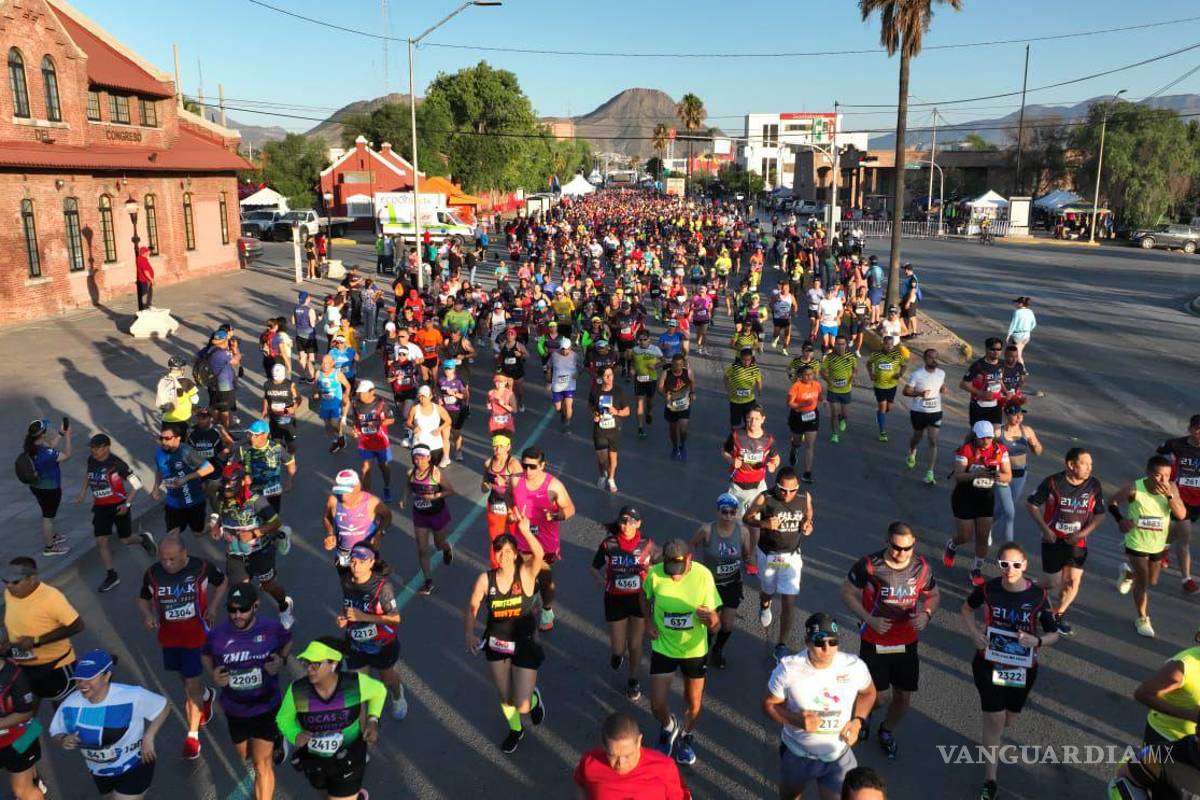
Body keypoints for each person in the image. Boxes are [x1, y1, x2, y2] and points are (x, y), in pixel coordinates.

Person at [959, 542, 1059, 800]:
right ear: (998, 565)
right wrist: (974, 633)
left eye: (1016, 564)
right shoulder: (988, 589)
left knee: (1008, 719)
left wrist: (1036, 642)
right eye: (1004, 564)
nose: (1010, 569)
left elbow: (1053, 633)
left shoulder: (1037, 595)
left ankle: (992, 739)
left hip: (1023, 668)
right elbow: (967, 609)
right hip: (988, 662)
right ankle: (990, 780)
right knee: (994, 718)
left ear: (1025, 565)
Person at [840, 523, 939, 760]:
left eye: (908, 548)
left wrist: (926, 615)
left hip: (907, 641)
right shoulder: (870, 566)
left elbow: (934, 595)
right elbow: (846, 593)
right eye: (896, 547)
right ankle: (864, 714)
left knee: (903, 698)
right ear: (887, 542)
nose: (902, 553)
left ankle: (886, 731)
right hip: (875, 639)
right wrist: (869, 619)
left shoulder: (921, 568)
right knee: (879, 696)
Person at [763, 613, 876, 800]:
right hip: (796, 752)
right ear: (807, 642)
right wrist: (795, 720)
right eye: (819, 641)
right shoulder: (788, 669)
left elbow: (868, 693)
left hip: (837, 756)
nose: (827, 648)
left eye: (833, 642)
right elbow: (768, 705)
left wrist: (857, 721)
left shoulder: (854, 666)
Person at [464, 509, 547, 754]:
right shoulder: (485, 579)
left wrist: (523, 530)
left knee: (521, 704)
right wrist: (470, 633)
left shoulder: (526, 574)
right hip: (497, 642)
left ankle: (533, 700)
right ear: (495, 554)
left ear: (515, 553)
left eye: (509, 551)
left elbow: (539, 554)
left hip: (524, 641)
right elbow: (472, 607)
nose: (504, 555)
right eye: (500, 551)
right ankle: (515, 730)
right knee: (505, 695)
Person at [138, 532, 226, 758]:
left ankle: (192, 738)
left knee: (190, 690)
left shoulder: (201, 568)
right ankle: (206, 695)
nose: (166, 564)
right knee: (185, 681)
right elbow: (142, 598)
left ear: (184, 554)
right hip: (169, 639)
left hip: (195, 639)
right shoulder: (153, 574)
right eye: (163, 559)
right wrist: (147, 615)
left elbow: (223, 581)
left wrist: (214, 607)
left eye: (172, 559)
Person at [203, 582, 292, 800]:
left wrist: (281, 660)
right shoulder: (218, 636)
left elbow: (288, 641)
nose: (237, 614)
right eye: (232, 609)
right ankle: (277, 741)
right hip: (235, 709)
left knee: (262, 764)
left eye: (243, 609)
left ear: (256, 606)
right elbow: (205, 654)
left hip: (266, 705)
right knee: (246, 756)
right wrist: (214, 673)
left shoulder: (271, 628)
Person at [641, 539, 721, 766]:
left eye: (679, 570)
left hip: (693, 650)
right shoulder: (656, 574)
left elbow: (715, 621)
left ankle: (686, 736)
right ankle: (669, 727)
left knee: (693, 701)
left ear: (689, 559)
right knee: (656, 704)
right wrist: (647, 622)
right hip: (664, 645)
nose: (675, 576)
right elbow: (644, 597)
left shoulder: (703, 576)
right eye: (671, 571)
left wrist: (712, 621)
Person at [276, 638, 386, 800]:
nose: (310, 669)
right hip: (316, 761)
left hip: (349, 756)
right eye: (307, 663)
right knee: (326, 794)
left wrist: (373, 720)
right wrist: (295, 734)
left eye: (316, 664)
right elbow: (283, 718)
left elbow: (379, 691)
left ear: (333, 664)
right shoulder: (298, 690)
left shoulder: (353, 684)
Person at [50, 649, 168, 800]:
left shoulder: (131, 695)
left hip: (135, 765)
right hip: (99, 771)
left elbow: (164, 707)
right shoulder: (70, 704)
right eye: (78, 679)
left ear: (107, 676)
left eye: (89, 678)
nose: (82, 684)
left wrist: (149, 737)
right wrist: (63, 739)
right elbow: (56, 731)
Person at [1026, 447, 1103, 637]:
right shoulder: (1053, 483)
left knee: (1072, 582)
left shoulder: (1094, 485)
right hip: (1053, 540)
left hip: (1077, 542)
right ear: (1071, 464)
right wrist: (1046, 530)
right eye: (1085, 464)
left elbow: (1100, 515)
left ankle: (1057, 615)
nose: (1089, 468)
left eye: (1091, 464)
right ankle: (1026, 587)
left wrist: (1082, 533)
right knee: (1051, 582)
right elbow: (1031, 504)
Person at [210, 463, 295, 629]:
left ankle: (284, 606)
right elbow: (217, 516)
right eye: (225, 484)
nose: (227, 490)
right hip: (236, 554)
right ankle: (248, 626)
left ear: (242, 482)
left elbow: (275, 522)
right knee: (240, 591)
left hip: (260, 552)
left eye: (231, 486)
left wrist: (254, 533)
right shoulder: (220, 498)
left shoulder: (256, 501)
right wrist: (215, 526)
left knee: (269, 585)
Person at [1111, 455, 1188, 638]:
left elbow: (1182, 514)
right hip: (1136, 540)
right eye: (1158, 475)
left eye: (1167, 475)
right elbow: (1112, 502)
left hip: (1157, 543)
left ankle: (1129, 574)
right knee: (1144, 581)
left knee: (1152, 580)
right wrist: (1120, 519)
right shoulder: (1134, 489)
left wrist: (1169, 496)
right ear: (1148, 473)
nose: (1163, 480)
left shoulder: (1172, 489)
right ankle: (1142, 618)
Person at [744, 468, 813, 662]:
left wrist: (808, 524)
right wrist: (764, 524)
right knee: (767, 591)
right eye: (783, 489)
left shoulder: (804, 496)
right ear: (776, 485)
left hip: (791, 556)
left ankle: (781, 644)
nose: (788, 494)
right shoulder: (764, 498)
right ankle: (764, 604)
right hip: (768, 555)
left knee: (789, 601)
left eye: (792, 490)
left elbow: (808, 513)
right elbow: (746, 518)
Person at [74, 433, 156, 593]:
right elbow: (88, 475)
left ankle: (143, 538)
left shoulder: (117, 464)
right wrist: (83, 492)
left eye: (96, 448)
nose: (93, 451)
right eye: (92, 448)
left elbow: (137, 483)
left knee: (125, 539)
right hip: (100, 507)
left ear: (106, 448)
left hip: (119, 506)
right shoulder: (91, 460)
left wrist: (127, 504)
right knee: (101, 541)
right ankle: (111, 575)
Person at [591, 507, 658, 701]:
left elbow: (660, 566)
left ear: (638, 523)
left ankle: (633, 679)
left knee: (636, 644)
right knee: (619, 648)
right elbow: (594, 567)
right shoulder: (609, 544)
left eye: (630, 521)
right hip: (615, 599)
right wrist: (600, 580)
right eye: (623, 521)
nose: (625, 525)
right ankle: (618, 654)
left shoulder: (647, 545)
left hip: (638, 599)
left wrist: (653, 575)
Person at [336, 545, 408, 721]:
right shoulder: (346, 580)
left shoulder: (383, 588)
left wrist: (364, 616)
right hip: (356, 644)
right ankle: (361, 741)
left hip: (382, 645)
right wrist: (343, 617)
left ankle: (398, 695)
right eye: (353, 561)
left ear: (371, 563)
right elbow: (347, 604)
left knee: (387, 680)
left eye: (361, 562)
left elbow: (395, 619)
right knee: (358, 690)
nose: (356, 566)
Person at [511, 447, 576, 632]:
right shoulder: (516, 480)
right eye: (525, 466)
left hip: (546, 541)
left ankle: (547, 610)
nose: (528, 471)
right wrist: (511, 511)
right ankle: (525, 610)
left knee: (545, 579)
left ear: (542, 465)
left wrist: (556, 515)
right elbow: (509, 497)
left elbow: (570, 508)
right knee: (524, 577)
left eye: (532, 466)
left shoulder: (553, 485)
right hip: (523, 537)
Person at [1, 558, 83, 705]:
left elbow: (77, 625)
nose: (9, 586)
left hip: (55, 666)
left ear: (32, 578)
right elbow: (13, 616)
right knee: (25, 709)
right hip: (24, 664)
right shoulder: (10, 593)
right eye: (5, 581)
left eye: (15, 582)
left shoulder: (51, 597)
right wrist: (7, 639)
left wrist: (36, 641)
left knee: (63, 708)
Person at [943, 421, 1012, 587]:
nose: (986, 441)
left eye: (989, 437)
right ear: (975, 436)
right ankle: (952, 544)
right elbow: (958, 475)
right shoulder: (966, 449)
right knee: (965, 536)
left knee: (982, 536)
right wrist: (975, 473)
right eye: (982, 438)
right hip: (964, 497)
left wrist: (996, 476)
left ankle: (975, 569)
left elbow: (1008, 476)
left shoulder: (1000, 450)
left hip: (985, 498)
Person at [692, 493, 751, 670]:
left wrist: (751, 561)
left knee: (727, 624)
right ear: (718, 511)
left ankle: (718, 650)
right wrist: (694, 568)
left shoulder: (743, 532)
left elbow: (747, 554)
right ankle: (704, 651)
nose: (728, 517)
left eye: (733, 513)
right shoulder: (707, 530)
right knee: (710, 623)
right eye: (725, 512)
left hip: (732, 583)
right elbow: (692, 546)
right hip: (710, 584)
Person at [573, 712, 690, 800]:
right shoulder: (590, 763)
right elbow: (580, 783)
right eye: (613, 755)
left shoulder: (664, 767)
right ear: (603, 746)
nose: (621, 763)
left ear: (639, 741)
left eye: (627, 755)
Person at [722, 406, 780, 572]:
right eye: (749, 418)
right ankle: (734, 555)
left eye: (755, 418)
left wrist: (773, 465)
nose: (752, 422)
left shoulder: (768, 439)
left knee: (755, 525)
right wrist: (731, 460)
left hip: (758, 489)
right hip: (737, 488)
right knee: (734, 524)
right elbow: (724, 451)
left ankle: (751, 556)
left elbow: (776, 458)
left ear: (763, 419)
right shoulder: (736, 435)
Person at [399, 444, 456, 596]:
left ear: (429, 458)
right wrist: (404, 497)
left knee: (438, 545)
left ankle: (446, 548)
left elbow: (450, 491)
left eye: (423, 457)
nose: (420, 461)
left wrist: (435, 496)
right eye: (417, 457)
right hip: (420, 515)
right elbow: (408, 486)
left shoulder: (435, 473)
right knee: (422, 549)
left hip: (438, 513)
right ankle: (428, 581)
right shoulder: (410, 473)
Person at [1156, 414, 1200, 595]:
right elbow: (1158, 459)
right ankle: (1187, 579)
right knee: (1185, 536)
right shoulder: (1175, 445)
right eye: (1197, 429)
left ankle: (1162, 547)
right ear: (1190, 429)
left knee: (1180, 532)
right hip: (1180, 498)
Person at [993, 404, 1042, 545]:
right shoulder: (998, 433)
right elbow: (986, 448)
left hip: (1020, 476)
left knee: (1002, 509)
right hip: (1002, 475)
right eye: (1015, 414)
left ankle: (987, 525)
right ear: (1006, 415)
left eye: (1021, 414)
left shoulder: (1026, 431)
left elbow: (1038, 452)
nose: (1019, 417)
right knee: (1010, 511)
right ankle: (1009, 546)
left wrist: (1035, 444)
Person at [21, 419, 71, 557]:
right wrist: (68, 436)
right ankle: (50, 547)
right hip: (49, 488)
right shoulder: (46, 453)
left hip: (36, 486)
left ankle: (52, 536)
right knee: (47, 517)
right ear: (42, 434)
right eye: (45, 431)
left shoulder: (31, 446)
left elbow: (50, 447)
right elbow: (66, 455)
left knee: (46, 512)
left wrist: (61, 433)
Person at [152, 425, 214, 536]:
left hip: (194, 502)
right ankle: (177, 553)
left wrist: (186, 478)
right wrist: (156, 487)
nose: (163, 442)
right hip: (173, 503)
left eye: (167, 438)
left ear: (178, 438)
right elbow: (159, 470)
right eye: (161, 438)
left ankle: (212, 524)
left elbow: (209, 468)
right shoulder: (159, 453)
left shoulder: (186, 451)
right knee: (172, 535)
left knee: (198, 532)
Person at [324, 469, 392, 570]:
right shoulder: (333, 501)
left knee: (365, 582)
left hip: (366, 551)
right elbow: (327, 517)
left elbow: (387, 515)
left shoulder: (371, 502)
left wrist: (379, 534)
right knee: (346, 582)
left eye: (345, 491)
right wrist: (330, 534)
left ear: (357, 487)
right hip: (343, 552)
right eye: (340, 491)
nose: (341, 495)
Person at [0, 648, 45, 800]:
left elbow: (26, 713)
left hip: (20, 739)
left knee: (23, 792)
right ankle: (33, 775)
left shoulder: (14, 675)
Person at [901, 349, 946, 486]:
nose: (934, 360)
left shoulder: (941, 373)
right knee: (917, 437)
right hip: (919, 412)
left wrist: (944, 388)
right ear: (925, 359)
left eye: (936, 357)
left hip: (936, 411)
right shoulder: (917, 374)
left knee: (933, 440)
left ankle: (930, 472)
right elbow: (906, 391)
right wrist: (919, 394)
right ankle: (912, 451)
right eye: (931, 357)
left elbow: (940, 385)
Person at [237, 419, 296, 514]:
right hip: (253, 492)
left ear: (265, 435)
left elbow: (290, 462)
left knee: (273, 518)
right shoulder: (243, 449)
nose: (252, 437)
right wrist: (243, 476)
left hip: (273, 491)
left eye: (256, 435)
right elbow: (235, 468)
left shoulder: (277, 448)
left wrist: (289, 480)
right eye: (250, 434)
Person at [589, 365, 631, 493]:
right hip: (600, 429)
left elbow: (627, 411)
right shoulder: (595, 391)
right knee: (602, 459)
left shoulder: (619, 391)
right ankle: (602, 474)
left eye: (611, 375)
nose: (609, 378)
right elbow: (590, 405)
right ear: (601, 378)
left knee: (613, 459)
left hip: (614, 429)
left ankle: (611, 479)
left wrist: (617, 411)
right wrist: (594, 415)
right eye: (606, 375)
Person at [350, 381, 395, 500]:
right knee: (365, 468)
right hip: (365, 442)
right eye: (359, 393)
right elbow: (356, 419)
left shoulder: (381, 403)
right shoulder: (355, 403)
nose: (360, 395)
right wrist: (355, 429)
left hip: (381, 442)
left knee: (383, 467)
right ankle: (366, 495)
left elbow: (391, 420)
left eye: (363, 393)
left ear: (372, 392)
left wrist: (378, 422)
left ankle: (387, 487)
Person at [786, 364, 822, 483]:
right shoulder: (796, 386)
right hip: (797, 417)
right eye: (806, 374)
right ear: (801, 375)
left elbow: (820, 397)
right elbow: (789, 403)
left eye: (811, 374)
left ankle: (807, 473)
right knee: (797, 440)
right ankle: (794, 449)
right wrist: (802, 404)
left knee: (809, 445)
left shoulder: (816, 385)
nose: (809, 376)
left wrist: (825, 401)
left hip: (812, 416)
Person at [866, 335, 906, 443]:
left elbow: (904, 365)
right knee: (883, 407)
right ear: (882, 344)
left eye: (891, 344)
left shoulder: (897, 355)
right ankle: (882, 432)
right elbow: (869, 363)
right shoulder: (876, 354)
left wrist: (900, 374)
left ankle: (880, 414)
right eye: (887, 344)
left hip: (892, 385)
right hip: (879, 385)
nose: (889, 346)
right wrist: (871, 374)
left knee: (888, 408)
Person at [658, 353, 696, 461]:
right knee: (673, 429)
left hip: (684, 404)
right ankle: (675, 447)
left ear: (683, 364)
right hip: (671, 406)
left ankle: (682, 445)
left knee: (683, 429)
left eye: (679, 364)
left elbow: (693, 382)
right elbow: (660, 387)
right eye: (675, 364)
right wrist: (664, 394)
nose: (677, 367)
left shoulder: (687, 372)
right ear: (672, 364)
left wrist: (692, 393)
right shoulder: (666, 373)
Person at [821, 335, 858, 444]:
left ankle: (842, 419)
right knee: (834, 413)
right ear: (835, 345)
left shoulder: (851, 356)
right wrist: (828, 381)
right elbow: (822, 371)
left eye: (842, 344)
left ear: (846, 345)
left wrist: (853, 377)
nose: (840, 346)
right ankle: (834, 434)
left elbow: (855, 369)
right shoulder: (830, 357)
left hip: (846, 390)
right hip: (833, 390)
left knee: (845, 414)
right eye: (837, 344)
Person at [960, 339, 1006, 427]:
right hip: (978, 406)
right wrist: (981, 393)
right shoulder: (977, 366)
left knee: (996, 433)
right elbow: (963, 384)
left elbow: (1000, 380)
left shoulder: (1002, 364)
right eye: (993, 349)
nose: (996, 352)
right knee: (976, 434)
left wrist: (1006, 392)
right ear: (986, 349)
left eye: (998, 349)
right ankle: (968, 441)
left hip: (995, 405)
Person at [406, 385, 453, 468]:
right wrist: (413, 427)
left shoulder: (438, 408)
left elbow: (448, 420)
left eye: (424, 396)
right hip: (419, 444)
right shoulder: (414, 409)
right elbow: (408, 422)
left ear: (430, 397)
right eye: (420, 396)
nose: (421, 398)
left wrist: (439, 429)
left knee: (433, 470)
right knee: (420, 470)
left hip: (435, 446)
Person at [314, 354, 352, 454]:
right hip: (325, 404)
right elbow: (315, 385)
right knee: (327, 427)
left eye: (327, 363)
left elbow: (348, 386)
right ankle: (337, 439)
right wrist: (316, 392)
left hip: (336, 403)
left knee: (334, 422)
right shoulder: (318, 373)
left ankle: (342, 436)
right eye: (323, 363)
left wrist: (346, 395)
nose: (324, 365)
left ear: (332, 364)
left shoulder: (337, 374)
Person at [262, 363, 301, 459]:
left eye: (279, 378)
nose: (277, 380)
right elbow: (266, 397)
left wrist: (294, 408)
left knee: (290, 443)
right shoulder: (267, 384)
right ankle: (283, 453)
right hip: (274, 418)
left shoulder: (290, 385)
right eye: (275, 377)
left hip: (287, 419)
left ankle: (291, 456)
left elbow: (299, 398)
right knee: (276, 442)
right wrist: (264, 409)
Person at [631, 332, 665, 439]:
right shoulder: (635, 350)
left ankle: (649, 412)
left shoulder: (655, 349)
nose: (642, 341)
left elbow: (663, 361)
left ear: (649, 340)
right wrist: (632, 370)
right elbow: (632, 362)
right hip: (639, 379)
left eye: (644, 339)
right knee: (640, 403)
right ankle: (640, 428)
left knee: (649, 402)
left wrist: (656, 366)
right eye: (640, 340)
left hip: (651, 379)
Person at [437, 359, 471, 462]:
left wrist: (455, 394)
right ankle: (446, 457)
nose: (447, 371)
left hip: (457, 410)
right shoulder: (441, 380)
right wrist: (439, 400)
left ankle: (458, 451)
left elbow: (465, 396)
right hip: (445, 411)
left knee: (456, 433)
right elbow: (438, 393)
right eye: (446, 368)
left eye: (450, 369)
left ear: (454, 369)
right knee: (445, 435)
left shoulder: (459, 381)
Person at [156, 357, 199, 437]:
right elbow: (195, 400)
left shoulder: (163, 381)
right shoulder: (186, 382)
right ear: (181, 369)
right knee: (180, 441)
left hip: (166, 418)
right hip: (182, 418)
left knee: (167, 440)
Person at [724, 348, 763, 431]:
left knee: (750, 424)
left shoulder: (755, 369)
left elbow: (758, 381)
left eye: (748, 360)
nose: (746, 362)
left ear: (751, 359)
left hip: (750, 401)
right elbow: (725, 378)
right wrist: (728, 390)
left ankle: (747, 439)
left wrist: (759, 390)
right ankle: (733, 439)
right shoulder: (734, 368)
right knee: (735, 425)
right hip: (735, 401)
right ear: (740, 359)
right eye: (744, 360)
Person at [548, 338, 580, 433]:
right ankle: (563, 412)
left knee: (569, 405)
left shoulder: (575, 356)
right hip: (557, 385)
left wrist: (578, 373)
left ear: (570, 348)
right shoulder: (554, 355)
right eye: (563, 349)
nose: (565, 351)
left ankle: (567, 425)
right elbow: (549, 366)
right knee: (558, 408)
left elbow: (582, 366)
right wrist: (548, 378)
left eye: (567, 349)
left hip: (570, 385)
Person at [293, 291, 319, 383]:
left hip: (299, 334)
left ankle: (302, 376)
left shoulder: (296, 308)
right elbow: (312, 324)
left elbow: (293, 321)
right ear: (307, 299)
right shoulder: (310, 310)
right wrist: (318, 320)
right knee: (311, 357)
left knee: (302, 357)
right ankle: (311, 377)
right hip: (309, 336)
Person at [1006, 297, 1036, 367]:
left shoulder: (1017, 312)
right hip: (1027, 335)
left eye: (1016, 303)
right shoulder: (1030, 311)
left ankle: (1023, 369)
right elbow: (1034, 324)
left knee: (1018, 354)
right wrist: (1028, 330)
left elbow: (1013, 324)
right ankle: (1018, 368)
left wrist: (1009, 334)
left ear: (1021, 304)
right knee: (1020, 352)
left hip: (1018, 335)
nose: (1015, 304)